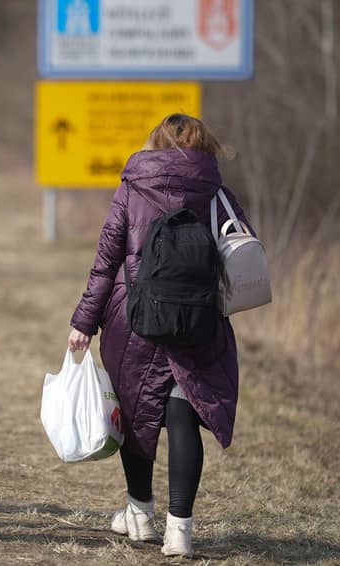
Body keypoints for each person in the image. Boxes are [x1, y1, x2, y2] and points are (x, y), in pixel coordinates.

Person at [68, 114, 251, 558]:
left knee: (136, 414)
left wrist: (83, 321)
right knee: (183, 416)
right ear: (204, 145)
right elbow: (243, 253)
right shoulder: (216, 192)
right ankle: (180, 532)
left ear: (156, 144)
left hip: (133, 319)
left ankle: (140, 515)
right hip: (197, 323)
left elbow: (106, 259)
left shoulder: (132, 187)